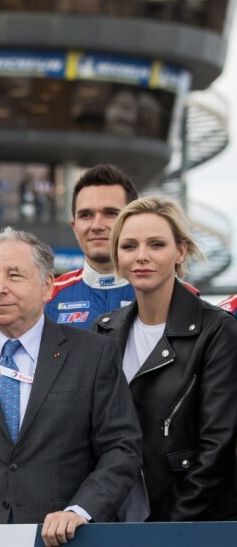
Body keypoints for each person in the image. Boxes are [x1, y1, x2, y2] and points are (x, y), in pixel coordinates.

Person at [0, 227, 142, 547]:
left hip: (67, 538)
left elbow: (121, 447)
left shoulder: (94, 353)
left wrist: (80, 510)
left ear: (47, 286)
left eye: (14, 275)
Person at [93, 197, 237, 521]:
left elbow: (218, 447)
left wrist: (167, 528)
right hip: (114, 520)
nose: (141, 256)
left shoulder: (217, 331)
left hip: (189, 522)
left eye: (156, 244)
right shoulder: (103, 330)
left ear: (180, 251)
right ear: (117, 255)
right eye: (129, 246)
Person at [45, 164, 139, 328]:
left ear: (135, 221)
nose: (97, 225)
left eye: (110, 213)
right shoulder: (45, 298)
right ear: (75, 227)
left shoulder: (175, 296)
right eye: (85, 215)